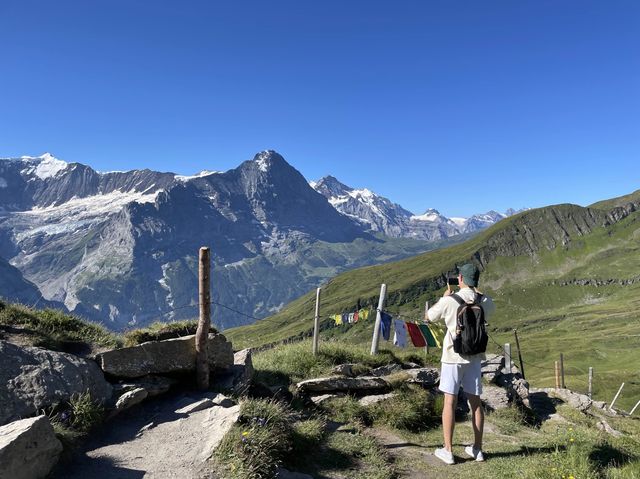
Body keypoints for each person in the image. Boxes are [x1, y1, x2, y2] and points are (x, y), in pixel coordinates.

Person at [426, 263, 495, 465]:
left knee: (450, 401)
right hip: (475, 357)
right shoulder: (485, 301)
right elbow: (490, 307)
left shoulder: (450, 301)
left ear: (460, 278)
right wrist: (477, 292)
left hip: (452, 356)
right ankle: (478, 449)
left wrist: (445, 296)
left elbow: (429, 317)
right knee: (476, 403)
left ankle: (448, 450)